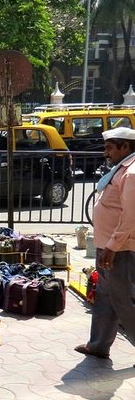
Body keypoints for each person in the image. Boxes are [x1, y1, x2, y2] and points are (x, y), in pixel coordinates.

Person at [74, 127, 135, 361]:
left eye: (110, 148)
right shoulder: (122, 169)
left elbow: (130, 217)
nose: (106, 152)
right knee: (106, 296)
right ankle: (98, 345)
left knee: (123, 301)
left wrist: (112, 247)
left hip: (121, 248)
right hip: (109, 245)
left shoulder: (131, 173)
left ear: (125, 147)